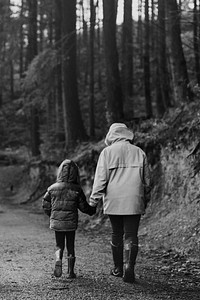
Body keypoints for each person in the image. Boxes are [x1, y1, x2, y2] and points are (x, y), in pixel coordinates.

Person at [89, 123, 151, 283]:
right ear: (127, 134)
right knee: (131, 234)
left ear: (111, 135)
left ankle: (118, 268)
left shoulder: (107, 152)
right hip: (134, 199)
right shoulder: (139, 152)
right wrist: (145, 197)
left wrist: (93, 200)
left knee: (117, 233)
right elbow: (147, 180)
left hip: (114, 200)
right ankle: (129, 266)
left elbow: (100, 179)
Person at [42, 159, 96, 278]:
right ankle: (71, 272)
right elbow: (83, 207)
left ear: (60, 172)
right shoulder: (76, 189)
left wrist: (52, 215)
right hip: (71, 223)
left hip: (57, 222)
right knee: (70, 245)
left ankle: (58, 260)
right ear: (76, 173)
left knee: (59, 244)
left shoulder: (52, 188)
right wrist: (92, 210)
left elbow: (45, 204)